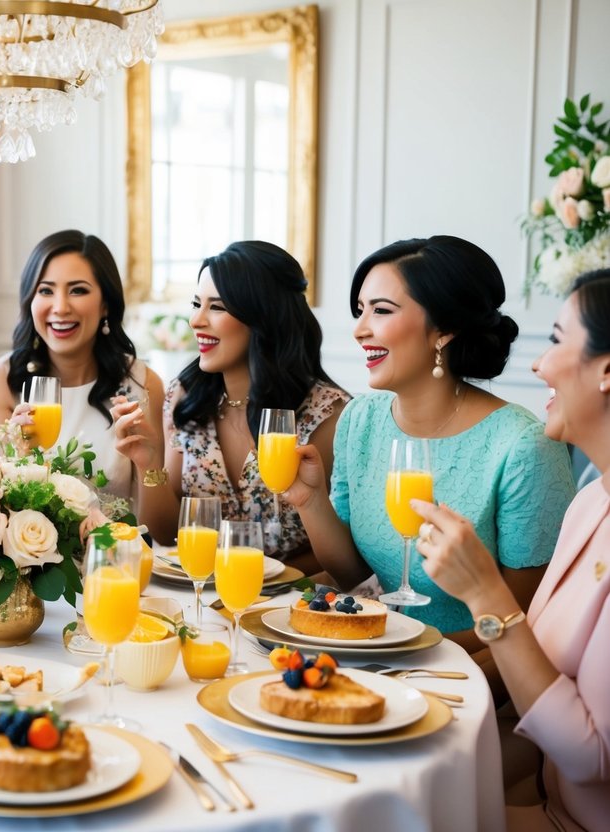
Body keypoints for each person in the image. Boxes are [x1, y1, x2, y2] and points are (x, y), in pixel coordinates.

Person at [284, 235, 575, 642]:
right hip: (380, 651)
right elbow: (352, 572)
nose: (359, 330)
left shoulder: (524, 446)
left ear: (445, 329)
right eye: (359, 311)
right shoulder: (360, 420)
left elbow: (525, 619)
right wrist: (309, 500)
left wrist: (406, 656)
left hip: (465, 675)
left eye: (381, 311)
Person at [414, 269, 610, 831]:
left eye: (554, 340)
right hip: (546, 805)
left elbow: (588, 758)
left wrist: (484, 592)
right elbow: (541, 672)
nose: (537, 364)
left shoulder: (529, 451)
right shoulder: (591, 501)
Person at [114, 241, 348, 572]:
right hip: (202, 599)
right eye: (197, 304)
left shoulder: (328, 415)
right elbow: (166, 535)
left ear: (264, 317)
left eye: (217, 307)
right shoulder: (185, 398)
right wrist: (148, 462)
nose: (196, 320)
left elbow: (347, 560)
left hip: (288, 606)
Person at [0, 229, 160, 503]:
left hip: (117, 545)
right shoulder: (2, 380)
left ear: (106, 305)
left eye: (78, 290)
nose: (60, 307)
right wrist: (19, 460)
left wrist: (150, 464)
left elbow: (165, 530)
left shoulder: (143, 384)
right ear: (30, 300)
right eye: (46, 290)